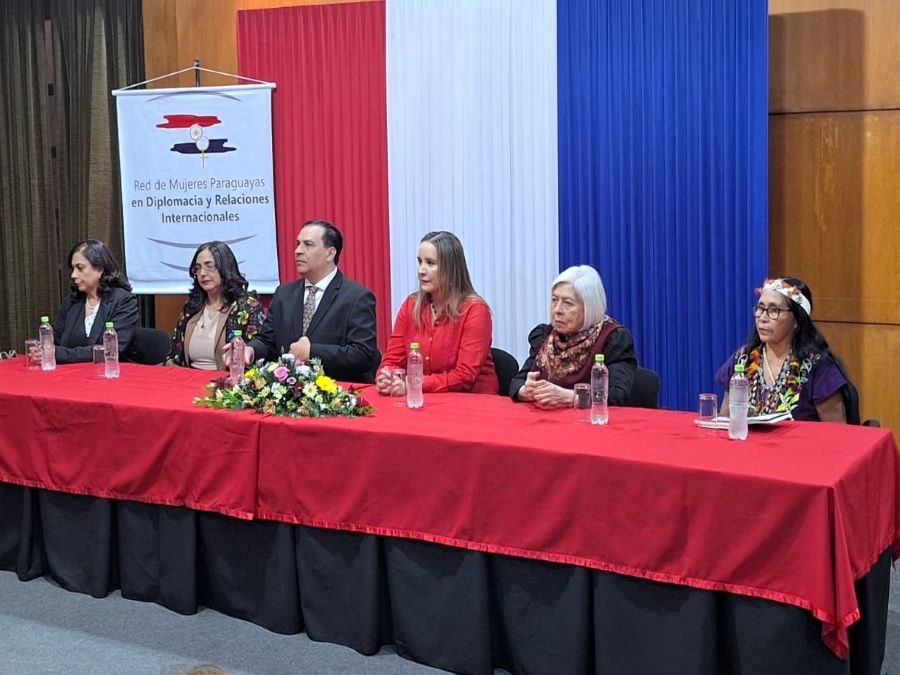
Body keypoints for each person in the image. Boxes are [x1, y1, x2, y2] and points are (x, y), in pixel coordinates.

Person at [238, 219, 378, 383]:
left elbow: (362, 355)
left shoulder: (357, 297)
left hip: (338, 394)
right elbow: (267, 341)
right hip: (288, 394)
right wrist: (250, 350)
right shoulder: (284, 293)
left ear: (330, 253)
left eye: (308, 245)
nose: (298, 251)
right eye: (297, 244)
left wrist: (313, 352)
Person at [376, 231, 497, 395]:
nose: (421, 270)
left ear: (451, 269)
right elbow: (392, 359)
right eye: (420, 262)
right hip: (424, 399)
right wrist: (387, 377)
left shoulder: (475, 310)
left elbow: (464, 375)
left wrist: (414, 384)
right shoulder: (410, 305)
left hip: (471, 403)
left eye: (430, 263)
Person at [715, 277, 848, 422]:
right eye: (760, 308)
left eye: (774, 310)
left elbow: (837, 435)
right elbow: (726, 420)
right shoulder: (743, 358)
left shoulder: (819, 367)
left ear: (797, 320)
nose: (763, 318)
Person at [510, 265, 637, 407]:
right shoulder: (545, 336)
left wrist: (571, 397)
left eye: (568, 304)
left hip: (590, 424)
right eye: (554, 300)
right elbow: (517, 382)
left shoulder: (612, 338)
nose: (557, 310)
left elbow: (618, 395)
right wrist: (525, 391)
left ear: (589, 308)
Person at [166, 241, 264, 370]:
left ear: (225, 268)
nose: (202, 273)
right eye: (198, 268)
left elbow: (257, 355)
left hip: (226, 385)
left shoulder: (246, 307)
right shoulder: (192, 307)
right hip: (187, 380)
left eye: (209, 266)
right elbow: (174, 354)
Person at [50, 239, 139, 363]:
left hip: (112, 374)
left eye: (79, 268)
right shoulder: (72, 301)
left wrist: (61, 355)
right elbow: (54, 340)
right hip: (71, 375)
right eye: (73, 268)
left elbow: (111, 350)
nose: (73, 275)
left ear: (99, 269)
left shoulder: (123, 301)